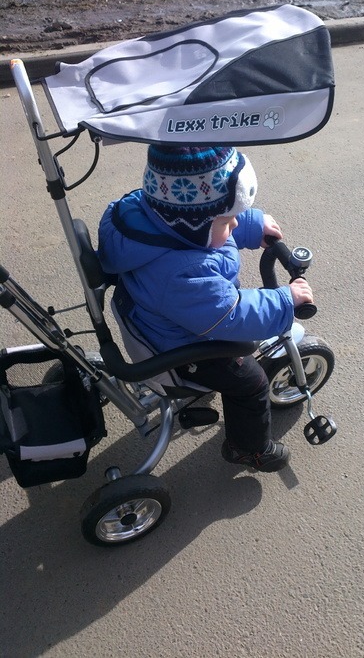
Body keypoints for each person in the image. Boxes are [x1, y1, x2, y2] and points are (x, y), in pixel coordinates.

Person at [98, 145, 313, 472]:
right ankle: (248, 448)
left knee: (216, 242)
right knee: (251, 382)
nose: (235, 225)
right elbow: (231, 315)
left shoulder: (151, 218)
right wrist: (286, 300)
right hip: (184, 349)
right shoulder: (184, 274)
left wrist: (252, 224)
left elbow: (204, 230)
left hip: (154, 322)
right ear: (193, 226)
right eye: (229, 220)